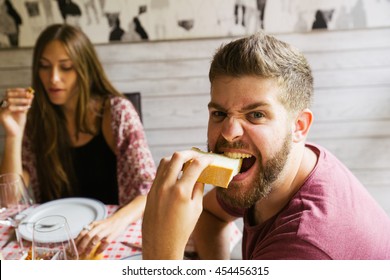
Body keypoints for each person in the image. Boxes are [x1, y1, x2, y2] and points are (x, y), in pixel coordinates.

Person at [142, 31, 390, 259]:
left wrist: (160, 249)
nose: (229, 133)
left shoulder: (305, 248)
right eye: (219, 113)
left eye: (256, 115)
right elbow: (211, 215)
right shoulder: (271, 170)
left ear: (299, 126)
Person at [0, 24, 156, 258]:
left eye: (66, 67)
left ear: (85, 68)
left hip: (107, 236)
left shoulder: (117, 114)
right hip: (49, 241)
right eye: (44, 66)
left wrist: (113, 223)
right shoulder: (36, 118)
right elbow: (9, 200)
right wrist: (14, 133)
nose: (53, 78)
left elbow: (149, 192)